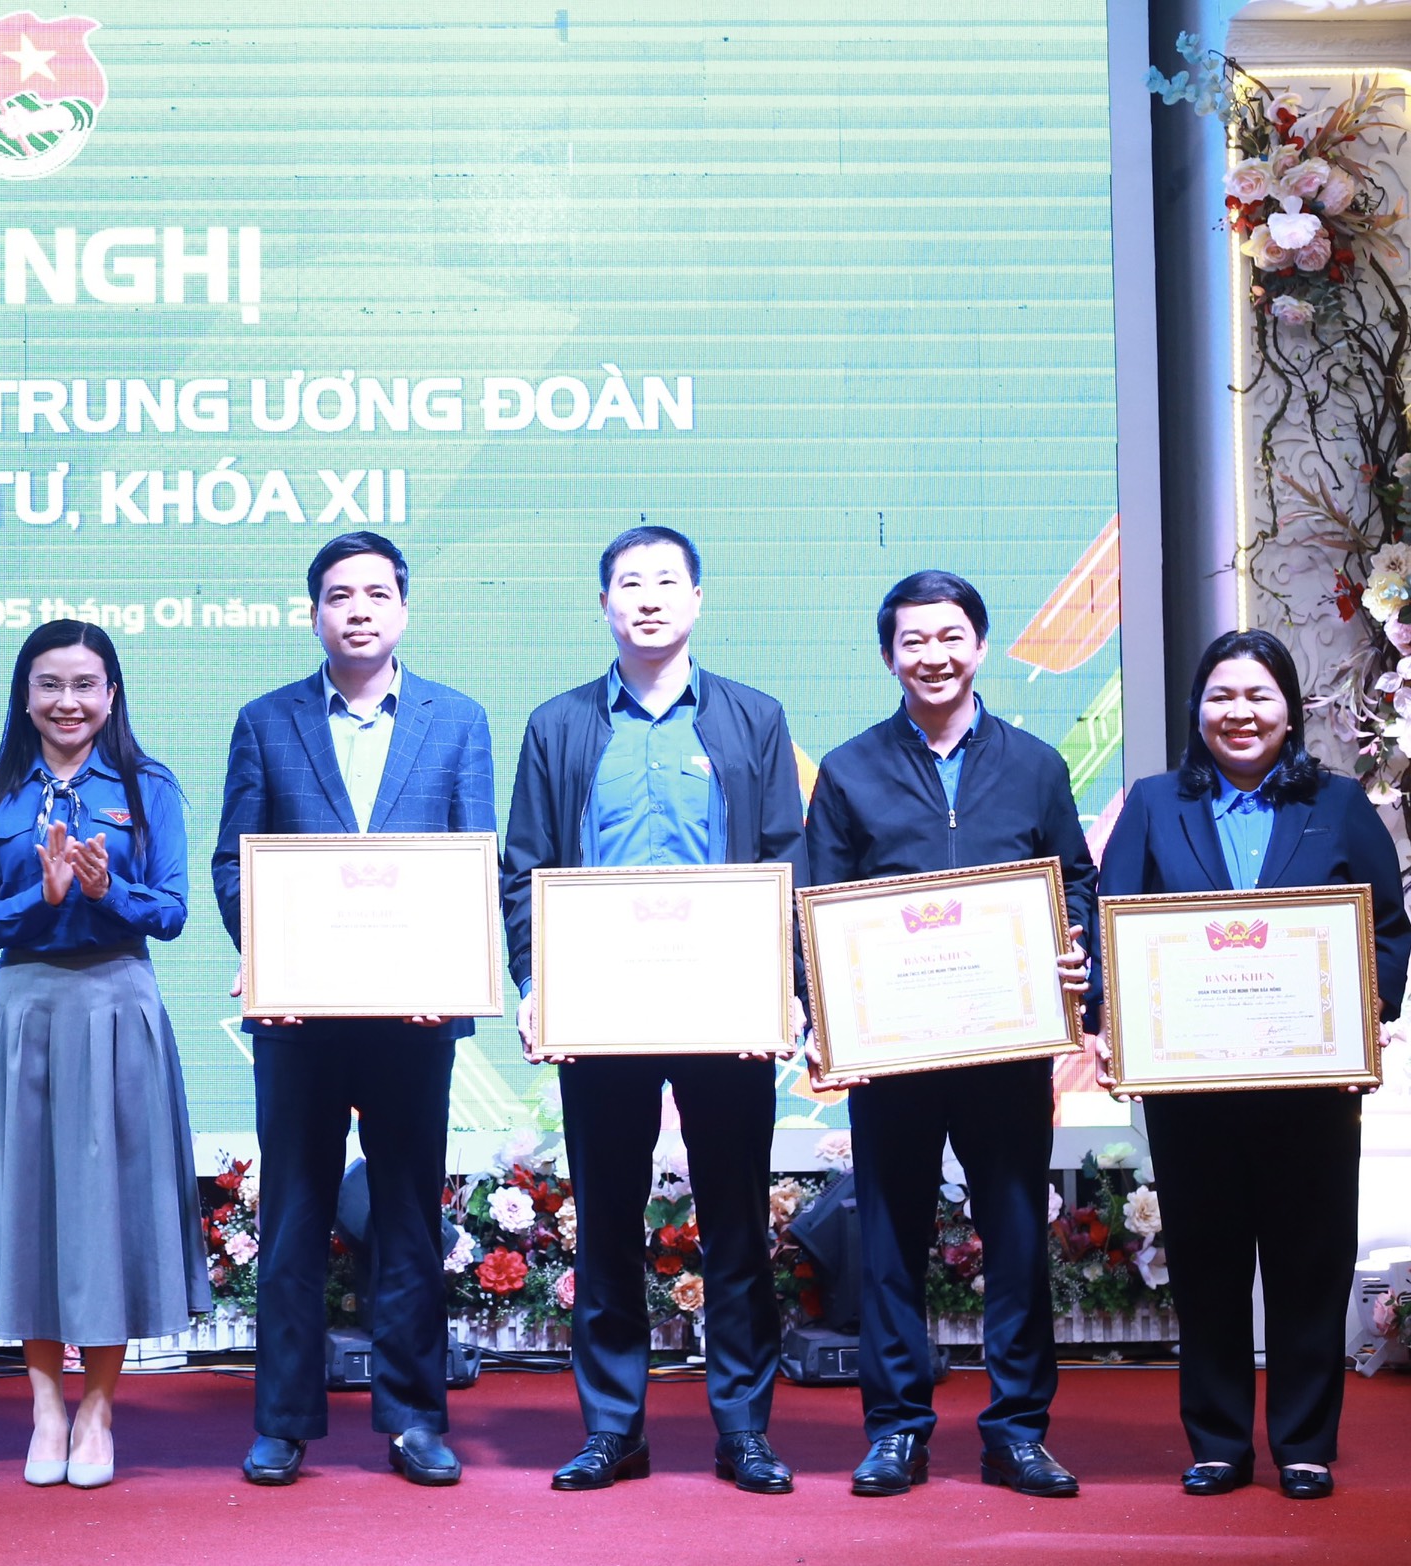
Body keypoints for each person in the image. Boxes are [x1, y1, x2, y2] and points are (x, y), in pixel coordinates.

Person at [500, 526, 803, 1494]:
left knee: (736, 1224)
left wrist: (787, 984)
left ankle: (743, 1431)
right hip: (602, 1011)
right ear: (604, 605)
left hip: (727, 1009)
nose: (648, 598)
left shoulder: (754, 718)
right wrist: (534, 982)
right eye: (629, 583)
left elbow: (786, 858)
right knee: (605, 1225)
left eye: (666, 581)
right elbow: (525, 867)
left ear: (697, 599)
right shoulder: (558, 725)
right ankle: (612, 1430)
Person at [802, 569, 1095, 1500]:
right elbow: (818, 908)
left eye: (950, 637)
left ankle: (1017, 1432)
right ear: (889, 656)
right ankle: (896, 1429)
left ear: (980, 645)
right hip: (893, 1053)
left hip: (1007, 1048)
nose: (933, 656)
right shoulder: (849, 769)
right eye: (914, 641)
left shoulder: (1036, 765)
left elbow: (1076, 884)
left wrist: (1074, 951)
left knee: (1016, 1240)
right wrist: (825, 1014)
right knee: (889, 1243)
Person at [1094, 629, 1407, 1501]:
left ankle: (1305, 1444)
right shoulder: (1154, 804)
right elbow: (1115, 924)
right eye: (1222, 695)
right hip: (1191, 1091)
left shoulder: (1338, 804)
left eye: (1258, 695)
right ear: (1197, 709)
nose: (1240, 712)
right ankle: (1220, 1443)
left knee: (1311, 1265)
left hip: (1311, 1089)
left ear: (1289, 711)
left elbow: (1385, 928)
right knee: (1207, 1266)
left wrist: (1368, 1014)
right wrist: (1109, 1023)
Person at [213, 531, 496, 1489]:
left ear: (404, 609)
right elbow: (233, 862)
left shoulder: (458, 720)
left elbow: (475, 861)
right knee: (293, 1217)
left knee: (408, 1218)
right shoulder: (266, 720)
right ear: (315, 615)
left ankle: (414, 1419)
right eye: (340, 595)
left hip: (416, 1021)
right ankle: (283, 1423)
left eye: (377, 593)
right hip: (300, 1024)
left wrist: (451, 973)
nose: (359, 610)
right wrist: (271, 959)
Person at [0, 620, 213, 1490]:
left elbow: (172, 911)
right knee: (28, 1202)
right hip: (24, 1008)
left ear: (111, 694)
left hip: (117, 1003)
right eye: (50, 684)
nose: (68, 701)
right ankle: (44, 1405)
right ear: (25, 696)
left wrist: (106, 889)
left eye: (86, 684)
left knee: (109, 1206)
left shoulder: (147, 786)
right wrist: (42, 896)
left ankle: (97, 1407)